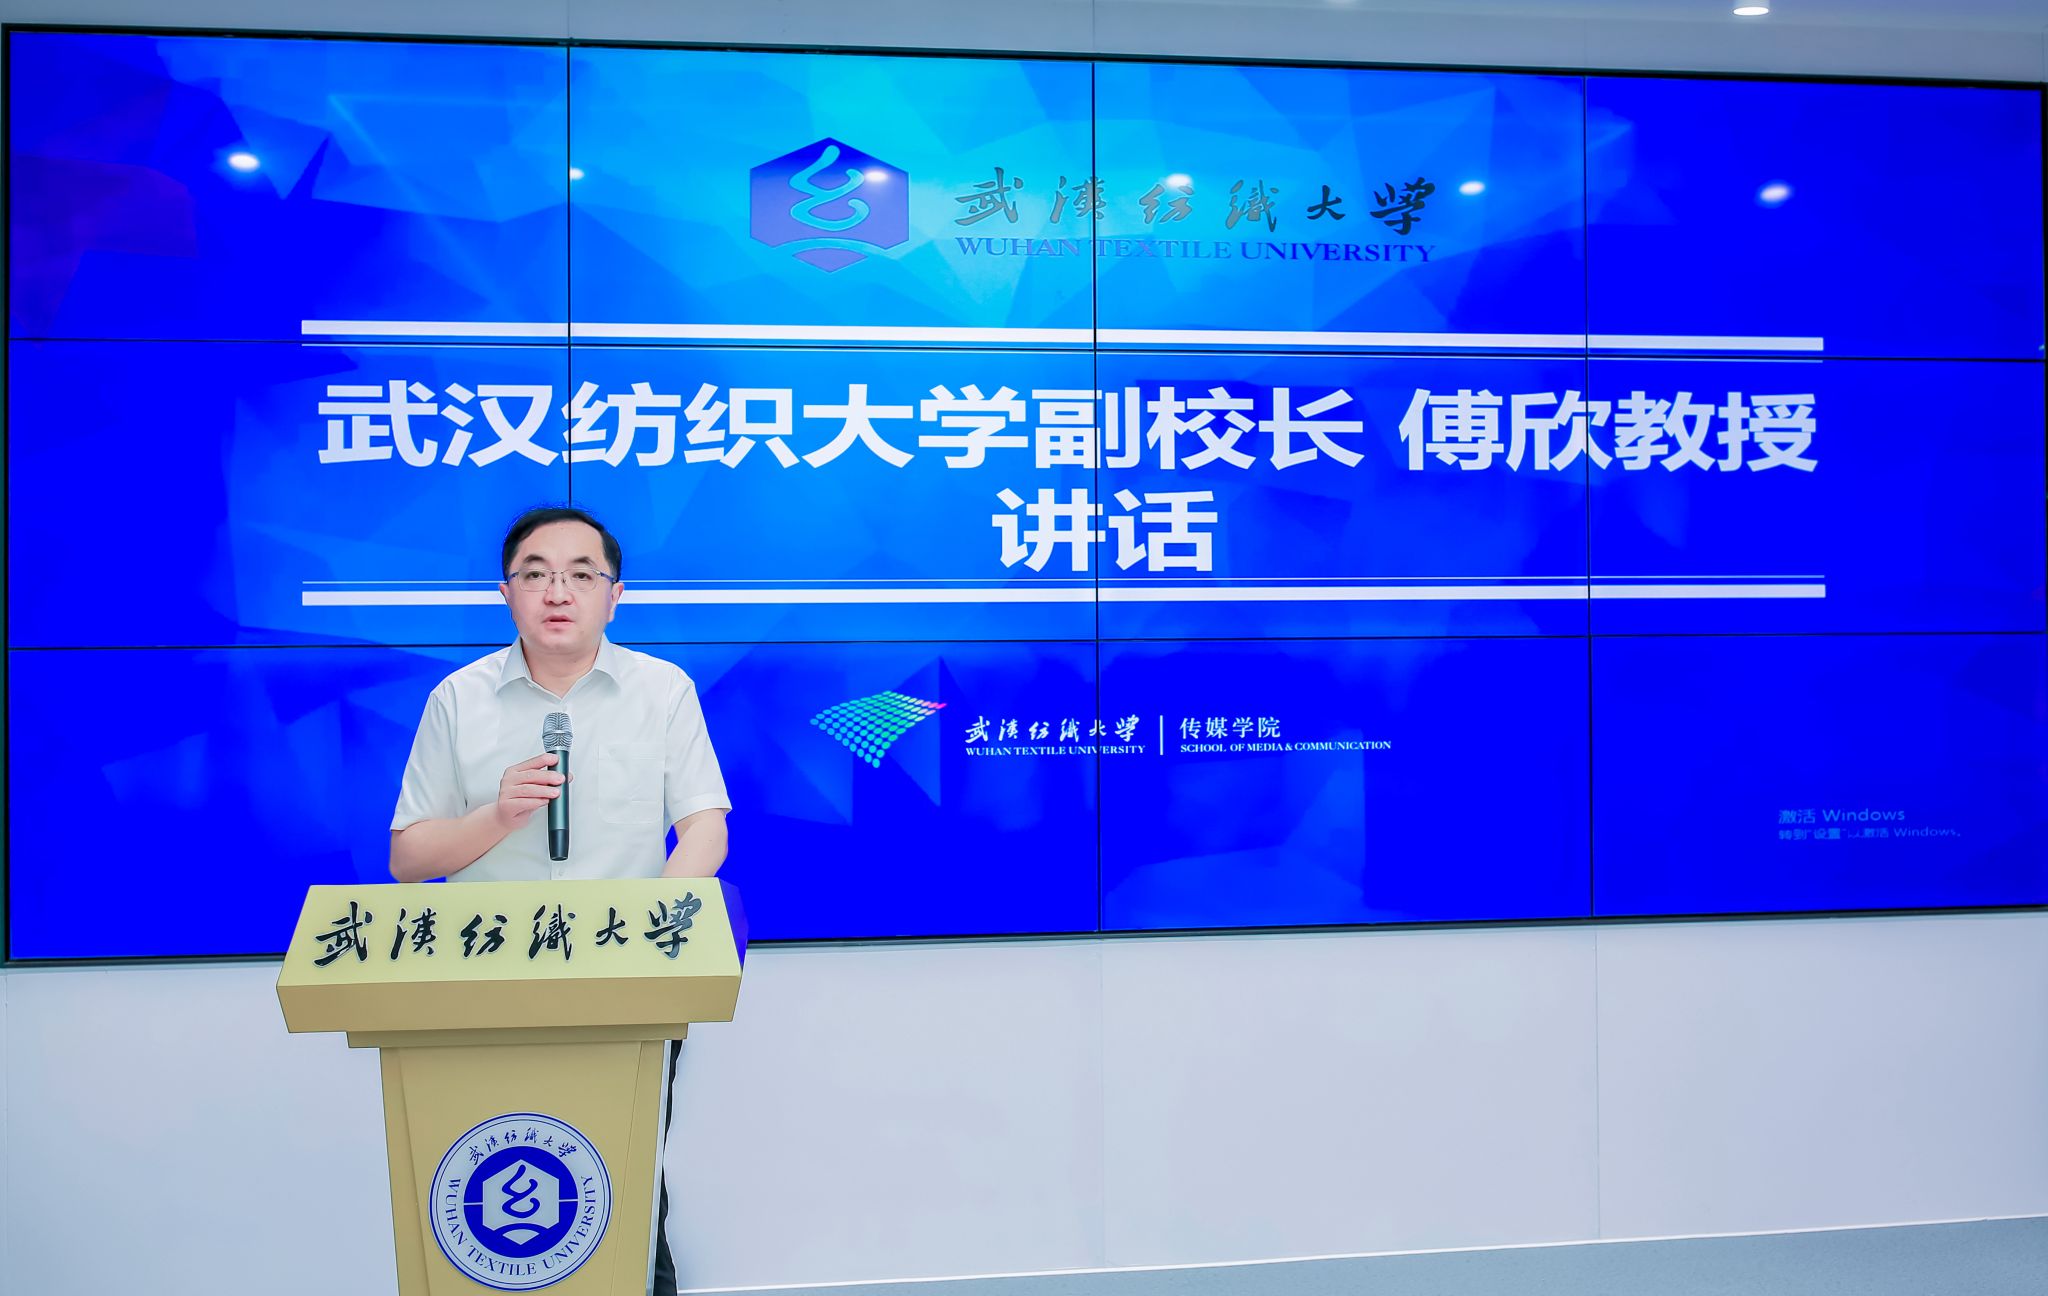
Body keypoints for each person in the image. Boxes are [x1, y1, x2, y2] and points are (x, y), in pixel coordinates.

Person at [389, 504, 726, 1296]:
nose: (558, 592)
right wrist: (496, 816)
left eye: (581, 574)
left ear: (614, 595)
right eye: (535, 574)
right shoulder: (458, 699)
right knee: (482, 1172)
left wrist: (650, 937)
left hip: (626, 980)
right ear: (506, 592)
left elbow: (705, 829)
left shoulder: (662, 691)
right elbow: (408, 858)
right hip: (485, 984)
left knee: (624, 1176)